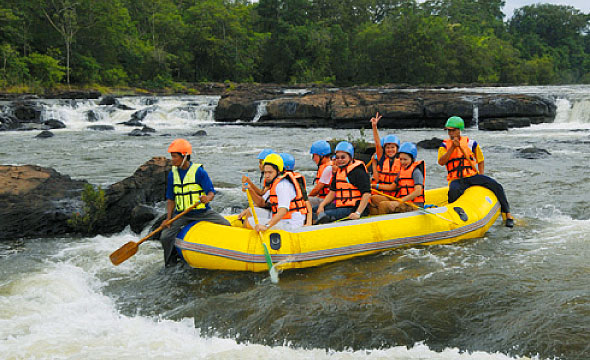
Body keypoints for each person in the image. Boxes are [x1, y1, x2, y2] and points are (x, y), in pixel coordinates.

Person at [160, 139, 230, 267]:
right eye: (172, 156)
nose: (172, 160)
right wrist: (168, 218)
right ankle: (170, 263)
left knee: (226, 225)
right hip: (182, 214)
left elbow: (211, 192)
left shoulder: (199, 172)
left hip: (202, 212)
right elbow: (170, 198)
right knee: (165, 236)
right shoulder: (172, 174)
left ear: (184, 156)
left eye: (175, 156)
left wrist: (207, 198)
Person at [437, 116, 514, 228]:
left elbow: (480, 160)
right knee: (453, 191)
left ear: (459, 130)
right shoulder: (444, 146)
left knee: (496, 185)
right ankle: (453, 219)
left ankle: (507, 213)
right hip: (456, 179)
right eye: (449, 130)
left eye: (453, 130)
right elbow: (441, 162)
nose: (451, 133)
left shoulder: (471, 143)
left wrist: (481, 176)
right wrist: (453, 148)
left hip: (472, 176)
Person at [238, 153, 308, 231]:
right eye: (265, 172)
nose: (267, 175)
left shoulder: (283, 186)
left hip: (290, 223)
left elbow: (283, 211)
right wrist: (250, 190)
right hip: (280, 219)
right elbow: (262, 203)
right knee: (250, 211)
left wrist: (266, 226)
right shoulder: (275, 183)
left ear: (278, 172)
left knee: (249, 221)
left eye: (270, 172)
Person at [316, 141, 371, 223]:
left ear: (350, 157)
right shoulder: (339, 171)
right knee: (314, 210)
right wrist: (322, 205)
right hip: (341, 206)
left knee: (325, 215)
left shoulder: (358, 171)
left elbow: (366, 194)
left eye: (343, 157)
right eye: (337, 158)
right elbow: (332, 192)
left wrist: (358, 213)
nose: (339, 160)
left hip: (354, 208)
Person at [376, 142, 425, 214]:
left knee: (383, 205)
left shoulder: (416, 172)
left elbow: (418, 192)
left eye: (405, 159)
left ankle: (384, 222)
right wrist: (374, 186)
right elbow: (392, 187)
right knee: (374, 198)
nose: (402, 162)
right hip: (404, 202)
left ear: (412, 159)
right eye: (401, 159)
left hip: (415, 205)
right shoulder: (401, 171)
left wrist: (401, 201)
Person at [368, 112, 402, 214]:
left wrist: (374, 186)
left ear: (397, 149)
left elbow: (394, 186)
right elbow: (378, 144)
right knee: (370, 200)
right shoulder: (383, 161)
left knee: (374, 198)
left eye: (392, 147)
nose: (390, 150)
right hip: (384, 195)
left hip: (395, 196)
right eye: (387, 147)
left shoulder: (402, 162)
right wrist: (374, 127)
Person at [279, 152, 313, 226]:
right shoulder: (277, 181)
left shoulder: (294, 182)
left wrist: (308, 223)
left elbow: (306, 202)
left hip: (293, 218)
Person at [308, 140, 333, 208]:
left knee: (303, 202)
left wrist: (306, 198)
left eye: (314, 156)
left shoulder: (328, 168)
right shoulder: (329, 165)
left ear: (321, 155)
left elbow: (317, 189)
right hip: (325, 198)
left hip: (326, 200)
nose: (313, 159)